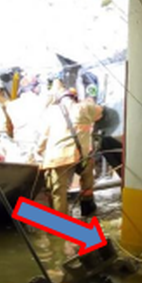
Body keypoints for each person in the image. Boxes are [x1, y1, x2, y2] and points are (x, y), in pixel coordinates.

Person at [38, 88, 103, 217]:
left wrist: (39, 151)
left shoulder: (51, 112)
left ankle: (61, 229)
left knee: (58, 192)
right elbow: (100, 111)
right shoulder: (84, 108)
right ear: (75, 98)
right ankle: (88, 212)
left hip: (58, 158)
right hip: (82, 157)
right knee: (88, 180)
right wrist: (87, 101)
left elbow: (44, 137)